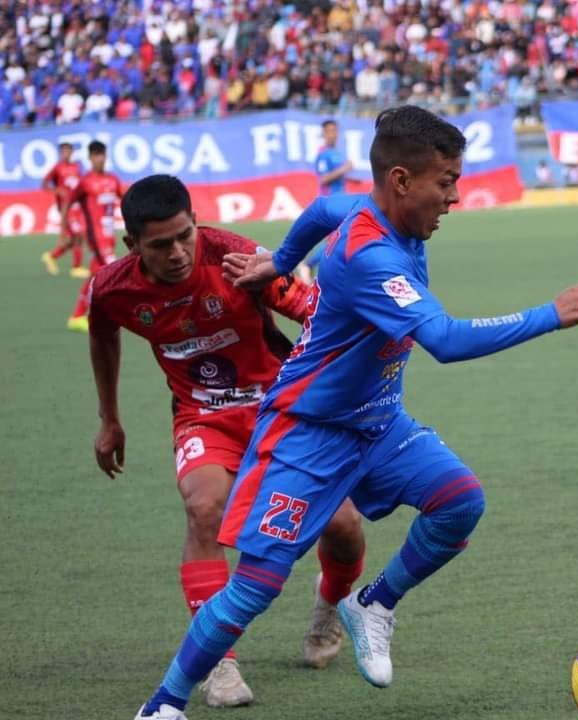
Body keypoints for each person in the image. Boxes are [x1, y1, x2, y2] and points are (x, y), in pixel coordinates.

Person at [133, 105, 578, 720]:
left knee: (461, 501)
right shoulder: (370, 257)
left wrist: (280, 259)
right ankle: (164, 705)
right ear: (403, 180)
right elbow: (446, 339)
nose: (455, 196)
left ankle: (373, 604)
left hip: (377, 423)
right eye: (446, 181)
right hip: (310, 433)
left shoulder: (362, 207)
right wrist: (550, 313)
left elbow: (322, 211)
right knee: (256, 587)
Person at [89, 175, 368, 709]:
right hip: (203, 415)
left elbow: (314, 310)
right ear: (132, 246)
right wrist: (110, 419)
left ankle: (330, 603)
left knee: (344, 527)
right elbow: (103, 334)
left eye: (185, 236)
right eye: (160, 245)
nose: (177, 253)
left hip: (282, 409)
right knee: (203, 508)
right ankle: (219, 660)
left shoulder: (235, 258)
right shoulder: (113, 288)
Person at [60, 140, 124, 331]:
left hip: (109, 236)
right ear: (89, 158)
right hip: (96, 237)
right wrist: (63, 231)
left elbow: (125, 200)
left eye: (102, 154)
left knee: (95, 276)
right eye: (95, 155)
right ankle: (118, 313)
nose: (99, 159)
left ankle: (77, 316)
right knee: (115, 270)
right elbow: (67, 204)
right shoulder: (85, 182)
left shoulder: (113, 179)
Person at [297, 119, 353, 284]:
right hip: (330, 203)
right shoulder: (323, 154)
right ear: (323, 134)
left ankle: (315, 268)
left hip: (340, 202)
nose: (333, 134)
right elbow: (323, 179)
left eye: (335, 130)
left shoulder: (337, 153)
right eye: (329, 131)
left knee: (341, 238)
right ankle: (308, 264)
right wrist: (345, 168)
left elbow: (339, 177)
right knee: (341, 238)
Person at [40, 141, 88, 278]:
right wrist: (56, 190)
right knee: (77, 235)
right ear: (60, 153)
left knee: (76, 237)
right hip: (66, 208)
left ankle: (51, 256)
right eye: (63, 151)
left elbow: (79, 185)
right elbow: (44, 183)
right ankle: (76, 267)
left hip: (77, 205)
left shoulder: (77, 167)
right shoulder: (57, 168)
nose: (66, 154)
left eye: (68, 151)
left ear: (72, 152)